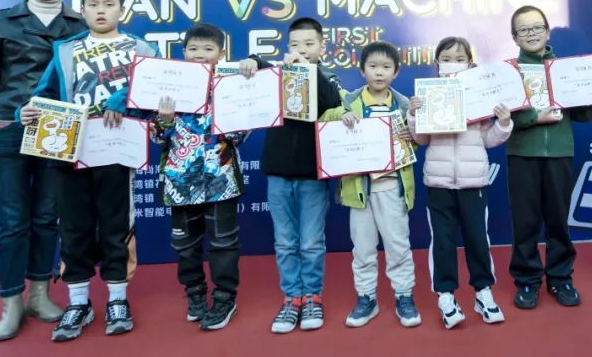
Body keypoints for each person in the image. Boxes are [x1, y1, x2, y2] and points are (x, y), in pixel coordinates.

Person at [20, 0, 158, 340]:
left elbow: (153, 97)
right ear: (81, 10)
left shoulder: (142, 50)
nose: (101, 10)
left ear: (121, 10)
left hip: (117, 152)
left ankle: (117, 299)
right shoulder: (66, 49)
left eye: (108, 4)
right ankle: (78, 302)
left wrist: (123, 99)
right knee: (73, 226)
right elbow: (43, 95)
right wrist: (27, 112)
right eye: (93, 4)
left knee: (117, 226)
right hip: (71, 152)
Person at [0, 0, 87, 341]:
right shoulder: (3, 21)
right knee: (11, 219)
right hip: (8, 128)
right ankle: (11, 302)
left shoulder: (79, 24)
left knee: (48, 216)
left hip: (58, 130)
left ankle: (39, 294)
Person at [150, 23, 258, 331]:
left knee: (223, 242)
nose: (200, 55)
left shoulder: (231, 85)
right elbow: (157, 138)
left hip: (220, 180)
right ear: (183, 51)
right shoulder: (168, 86)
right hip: (180, 181)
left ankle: (224, 298)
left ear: (221, 54)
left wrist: (229, 115)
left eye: (208, 49)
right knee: (184, 245)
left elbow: (240, 136)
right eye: (193, 49)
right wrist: (164, 121)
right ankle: (195, 294)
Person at [407, 36, 512, 329]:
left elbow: (489, 139)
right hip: (438, 183)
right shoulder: (428, 95)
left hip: (473, 182)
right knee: (442, 241)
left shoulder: (479, 97)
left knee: (478, 239)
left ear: (470, 63)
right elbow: (421, 139)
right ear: (437, 63)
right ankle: (445, 296)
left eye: (459, 59)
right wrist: (414, 115)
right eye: (446, 59)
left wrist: (503, 123)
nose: (452, 64)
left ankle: (483, 292)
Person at [507, 5, 592, 309]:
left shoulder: (565, 70)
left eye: (537, 27)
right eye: (524, 30)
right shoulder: (510, 72)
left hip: (560, 153)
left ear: (548, 32)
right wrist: (534, 119)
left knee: (558, 221)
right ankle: (527, 280)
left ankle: (561, 277)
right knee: (525, 223)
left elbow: (581, 113)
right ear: (515, 37)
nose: (531, 34)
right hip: (522, 154)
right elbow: (504, 117)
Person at [259, 17, 348, 334]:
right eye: (295, 45)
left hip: (312, 173)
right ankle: (291, 298)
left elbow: (333, 102)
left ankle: (312, 297)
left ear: (322, 47)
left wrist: (308, 71)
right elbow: (256, 67)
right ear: (287, 47)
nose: (302, 50)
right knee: (284, 241)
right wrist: (251, 62)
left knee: (311, 242)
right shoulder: (276, 73)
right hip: (277, 171)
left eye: (309, 44)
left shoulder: (328, 77)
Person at [339, 41, 422, 328]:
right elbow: (327, 124)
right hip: (359, 191)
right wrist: (340, 117)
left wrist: (412, 128)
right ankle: (367, 298)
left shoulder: (404, 104)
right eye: (373, 66)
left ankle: (404, 295)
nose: (379, 72)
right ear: (362, 70)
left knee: (398, 246)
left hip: (393, 188)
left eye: (386, 67)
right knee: (362, 249)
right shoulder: (348, 101)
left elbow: (416, 144)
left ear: (395, 72)